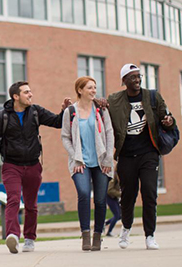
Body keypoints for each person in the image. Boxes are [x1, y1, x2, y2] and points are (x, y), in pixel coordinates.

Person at [0, 81, 72, 254]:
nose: (30, 94)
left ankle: (29, 238)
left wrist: (64, 111)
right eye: (26, 92)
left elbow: (57, 122)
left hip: (33, 165)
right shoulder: (2, 117)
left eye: (30, 91)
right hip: (11, 165)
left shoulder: (36, 111)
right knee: (13, 199)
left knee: (31, 205)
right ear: (16, 96)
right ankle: (13, 236)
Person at [107, 63, 176, 250]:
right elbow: (105, 112)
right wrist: (99, 103)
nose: (137, 80)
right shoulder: (114, 99)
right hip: (126, 156)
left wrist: (169, 121)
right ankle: (126, 230)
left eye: (139, 76)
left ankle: (150, 236)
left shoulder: (153, 96)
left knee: (150, 193)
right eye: (132, 77)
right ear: (124, 81)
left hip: (149, 154)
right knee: (128, 196)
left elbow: (167, 117)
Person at [61, 76, 114, 251]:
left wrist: (107, 159)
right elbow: (65, 137)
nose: (94, 90)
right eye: (90, 87)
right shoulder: (70, 111)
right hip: (80, 162)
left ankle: (98, 235)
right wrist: (76, 157)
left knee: (99, 200)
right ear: (80, 90)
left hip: (101, 162)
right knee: (84, 193)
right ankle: (85, 234)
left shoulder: (101, 110)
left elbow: (109, 133)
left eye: (95, 87)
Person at [104, 169, 121, 237]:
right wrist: (120, 194)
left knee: (120, 215)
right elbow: (109, 190)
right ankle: (109, 232)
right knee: (117, 215)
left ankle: (105, 224)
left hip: (114, 198)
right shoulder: (113, 178)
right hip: (109, 197)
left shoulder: (119, 177)